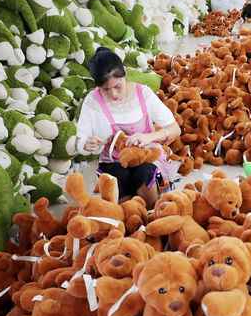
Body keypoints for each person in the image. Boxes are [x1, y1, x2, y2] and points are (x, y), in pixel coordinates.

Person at [76, 47, 180, 209]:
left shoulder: (143, 94)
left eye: (118, 86)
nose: (113, 94)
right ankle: (126, 219)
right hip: (114, 161)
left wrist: (149, 137)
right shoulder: (92, 102)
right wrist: (84, 144)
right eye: (105, 89)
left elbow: (175, 128)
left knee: (144, 177)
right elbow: (79, 140)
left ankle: (150, 213)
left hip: (147, 156)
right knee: (118, 180)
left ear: (124, 72)